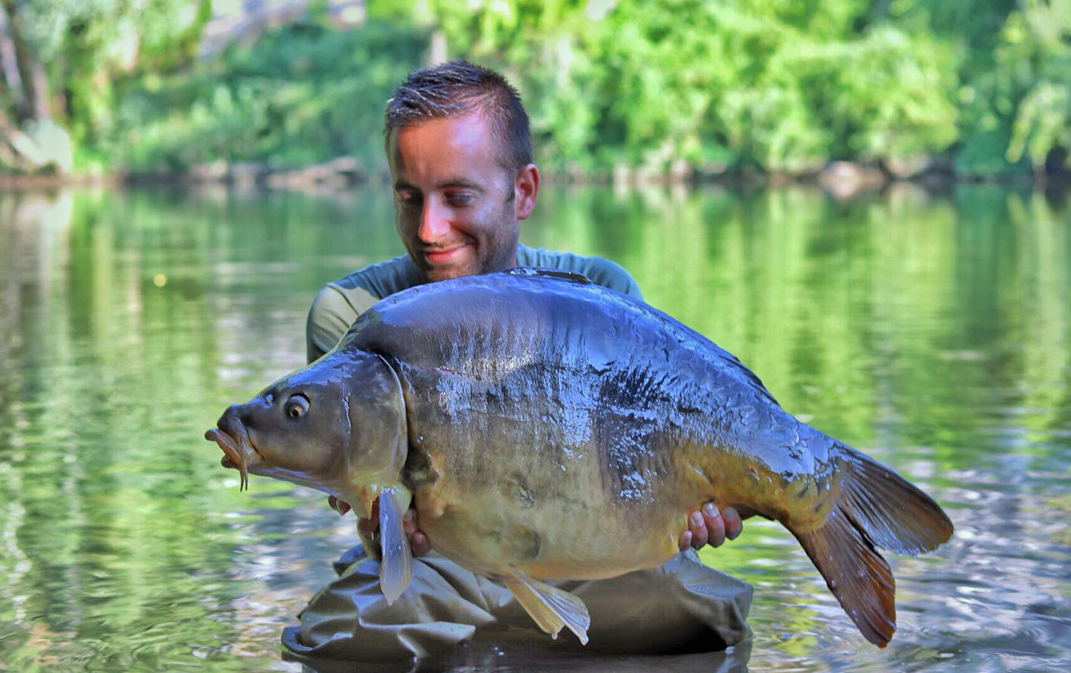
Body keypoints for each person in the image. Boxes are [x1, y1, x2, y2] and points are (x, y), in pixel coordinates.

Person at [283, 61, 752, 662]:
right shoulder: (352, 315)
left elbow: (641, 483)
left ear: (523, 191)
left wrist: (689, 513)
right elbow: (378, 510)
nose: (429, 228)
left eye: (457, 197)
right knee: (341, 636)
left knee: (701, 616)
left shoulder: (603, 294)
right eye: (409, 198)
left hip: (586, 558)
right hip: (438, 569)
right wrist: (380, 521)